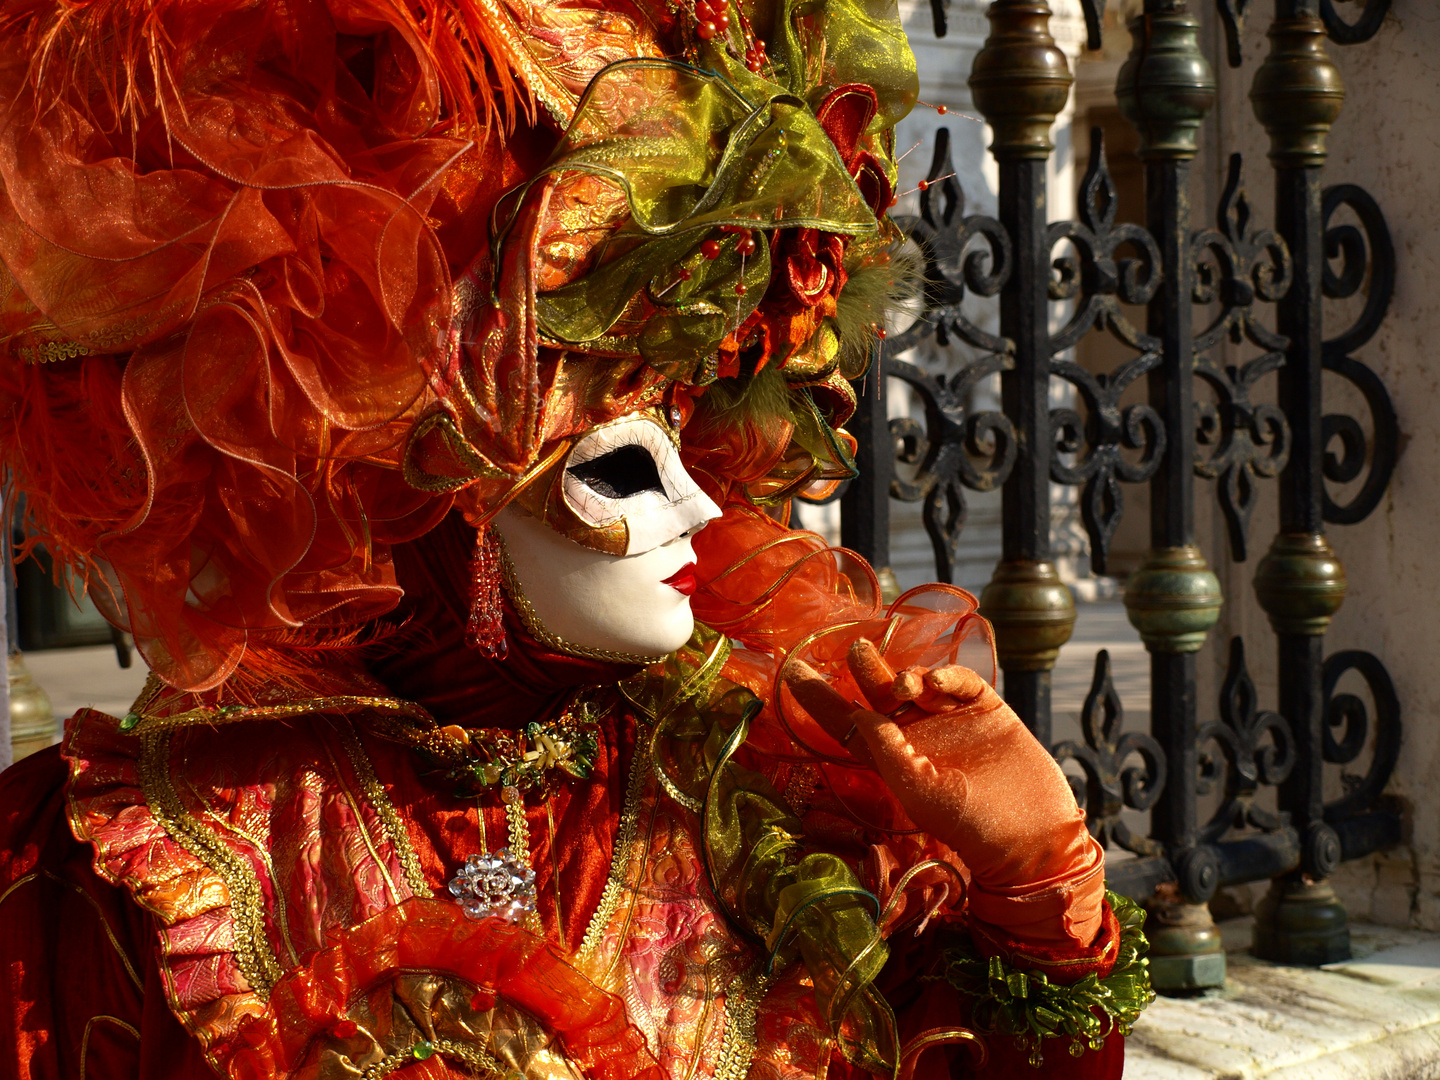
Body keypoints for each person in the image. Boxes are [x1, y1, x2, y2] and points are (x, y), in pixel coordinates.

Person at [0, 1, 1151, 1077]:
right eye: (619, 465)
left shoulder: (772, 805)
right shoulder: (113, 872)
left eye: (690, 444)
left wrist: (1036, 886)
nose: (702, 509)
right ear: (422, 493)